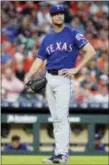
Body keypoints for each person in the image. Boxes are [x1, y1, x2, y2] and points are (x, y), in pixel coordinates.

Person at [24, 4, 96, 163]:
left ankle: (63, 155)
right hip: (49, 78)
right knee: (56, 118)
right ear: (51, 17)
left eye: (61, 13)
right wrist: (29, 75)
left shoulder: (73, 33)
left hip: (64, 78)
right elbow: (39, 60)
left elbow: (91, 51)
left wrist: (77, 68)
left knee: (62, 117)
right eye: (55, 14)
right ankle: (58, 152)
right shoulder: (47, 38)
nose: (59, 16)